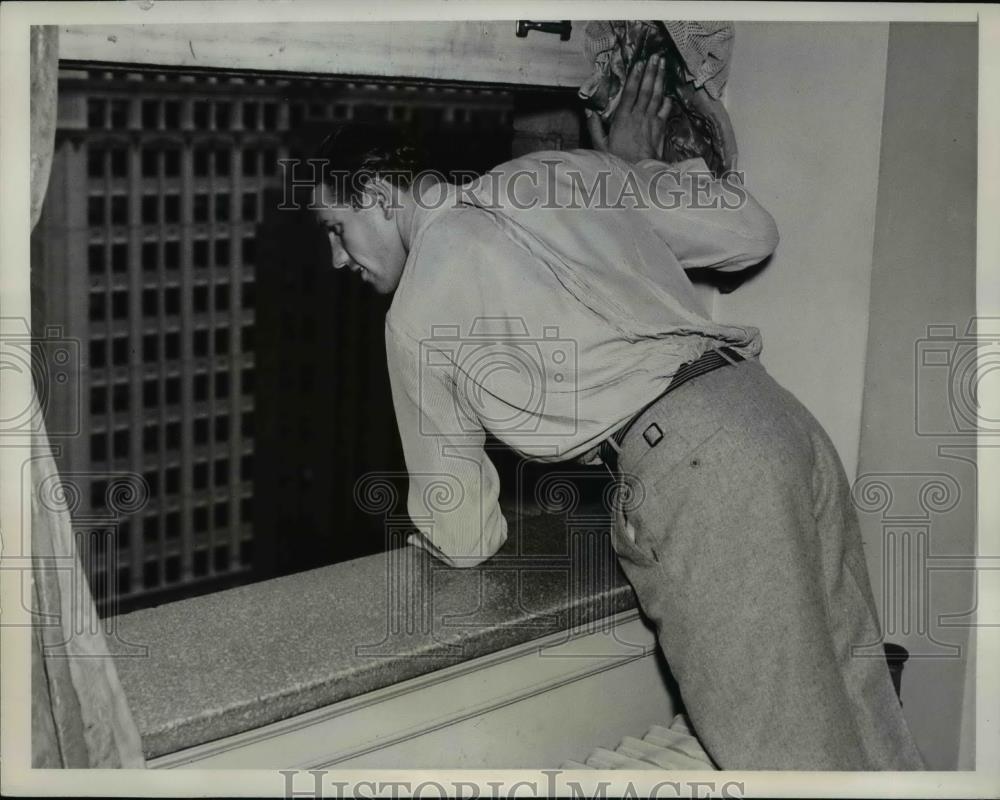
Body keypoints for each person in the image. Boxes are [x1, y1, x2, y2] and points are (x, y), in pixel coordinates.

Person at [310, 55, 926, 770]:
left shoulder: (414, 315)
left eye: (335, 226)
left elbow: (465, 533)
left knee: (787, 765)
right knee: (874, 730)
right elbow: (751, 234)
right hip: (778, 420)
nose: (334, 258)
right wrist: (627, 173)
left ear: (383, 193)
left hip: (700, 476)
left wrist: (431, 538)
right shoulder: (553, 173)